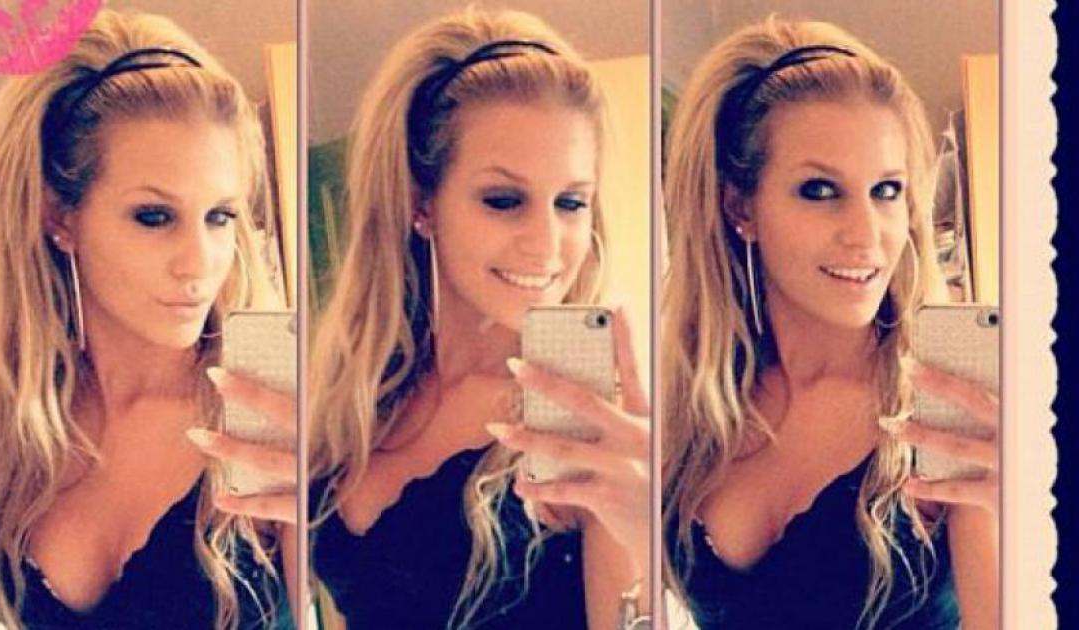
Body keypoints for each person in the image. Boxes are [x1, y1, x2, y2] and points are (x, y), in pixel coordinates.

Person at [308, 7, 650, 629]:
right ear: (421, 202)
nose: (547, 244)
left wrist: (646, 541)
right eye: (504, 200)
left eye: (571, 202)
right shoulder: (352, 399)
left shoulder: (589, 422)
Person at [0, 10, 296, 629]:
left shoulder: (271, 414)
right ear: (60, 218)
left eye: (220, 217)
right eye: (154, 217)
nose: (200, 261)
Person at [661, 16, 998, 630]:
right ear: (740, 205)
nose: (867, 234)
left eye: (887, 190)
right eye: (820, 190)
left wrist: (1025, 525)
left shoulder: (948, 409)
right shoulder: (692, 408)